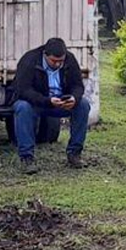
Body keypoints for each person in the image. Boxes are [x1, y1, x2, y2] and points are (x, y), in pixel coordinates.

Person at [12, 38, 91, 174]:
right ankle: (27, 158)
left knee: (83, 105)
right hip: (37, 103)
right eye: (54, 61)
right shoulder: (29, 60)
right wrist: (46, 101)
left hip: (61, 102)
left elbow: (78, 85)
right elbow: (22, 90)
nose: (58, 64)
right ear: (45, 55)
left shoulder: (69, 59)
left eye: (61, 61)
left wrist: (73, 98)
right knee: (22, 107)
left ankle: (74, 154)